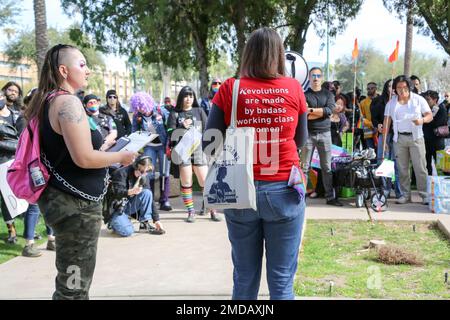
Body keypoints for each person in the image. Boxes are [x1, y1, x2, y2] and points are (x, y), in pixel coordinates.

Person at [204, 27, 308, 300]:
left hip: (239, 190)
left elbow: (210, 143)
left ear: (248, 54)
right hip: (284, 187)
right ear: (279, 55)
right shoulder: (294, 88)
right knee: (282, 280)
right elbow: (301, 139)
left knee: (245, 277)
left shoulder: (230, 88)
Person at [25, 44, 136, 300]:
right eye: (82, 64)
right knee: (73, 287)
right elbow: (84, 158)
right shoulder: (68, 103)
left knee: (74, 282)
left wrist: (109, 150)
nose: (88, 70)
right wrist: (121, 156)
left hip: (68, 204)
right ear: (64, 70)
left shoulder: (48, 101)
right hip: (76, 208)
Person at [168, 86, 221, 222]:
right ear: (181, 98)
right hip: (182, 151)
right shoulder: (175, 113)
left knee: (205, 181)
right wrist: (181, 127)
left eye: (191, 96)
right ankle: (191, 211)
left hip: (198, 150)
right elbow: (169, 132)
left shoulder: (199, 111)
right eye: (186, 96)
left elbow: (209, 128)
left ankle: (212, 210)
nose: (188, 99)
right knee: (186, 182)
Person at [383, 75, 432, 205]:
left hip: (416, 138)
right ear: (395, 89)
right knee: (402, 169)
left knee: (420, 167)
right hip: (399, 139)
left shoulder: (418, 99)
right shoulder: (391, 102)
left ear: (409, 87)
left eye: (404, 86)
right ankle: (405, 195)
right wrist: (384, 142)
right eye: (398, 87)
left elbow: (429, 115)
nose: (402, 89)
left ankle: (425, 195)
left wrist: (421, 120)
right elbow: (387, 122)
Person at [301, 67, 343, 206]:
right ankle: (301, 198)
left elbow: (330, 110)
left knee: (327, 167)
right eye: (313, 75)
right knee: (305, 167)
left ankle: (330, 197)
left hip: (325, 134)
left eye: (318, 75)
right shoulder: (304, 94)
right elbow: (304, 113)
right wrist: (321, 112)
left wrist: (312, 110)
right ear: (309, 77)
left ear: (322, 77)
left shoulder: (328, 95)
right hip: (308, 135)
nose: (316, 78)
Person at [130, 92, 172, 211]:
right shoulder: (137, 116)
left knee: (165, 172)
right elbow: (134, 130)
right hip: (149, 146)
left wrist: (169, 144)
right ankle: (151, 199)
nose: (139, 110)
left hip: (163, 145)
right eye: (137, 107)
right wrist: (136, 147)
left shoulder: (160, 111)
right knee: (148, 172)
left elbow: (170, 127)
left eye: (141, 107)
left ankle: (165, 200)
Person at [104, 155, 165, 236]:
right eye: (142, 171)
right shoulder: (121, 173)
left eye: (147, 171)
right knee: (128, 232)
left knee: (147, 193)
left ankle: (144, 224)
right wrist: (130, 192)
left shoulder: (144, 176)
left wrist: (156, 220)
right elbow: (116, 193)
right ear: (135, 167)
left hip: (129, 205)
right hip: (116, 207)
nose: (144, 174)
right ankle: (113, 223)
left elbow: (150, 199)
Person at [371, 79, 403, 199]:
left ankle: (399, 191)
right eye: (390, 86)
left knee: (397, 164)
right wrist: (377, 125)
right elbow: (375, 118)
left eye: (395, 86)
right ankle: (385, 189)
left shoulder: (403, 101)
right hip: (385, 135)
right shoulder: (379, 101)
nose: (393, 89)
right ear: (386, 88)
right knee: (384, 162)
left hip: (398, 136)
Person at [0, 89, 20, 244]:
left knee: (22, 196)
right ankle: (11, 231)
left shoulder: (15, 115)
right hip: (2, 162)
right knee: (6, 198)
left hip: (17, 159)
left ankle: (29, 231)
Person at [422, 90, 447, 175]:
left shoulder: (441, 108)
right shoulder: (424, 110)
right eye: (425, 99)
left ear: (435, 99)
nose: (426, 102)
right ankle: (429, 183)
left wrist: (429, 117)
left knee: (442, 165)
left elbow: (439, 123)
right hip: (426, 141)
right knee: (426, 164)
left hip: (437, 142)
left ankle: (445, 183)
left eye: (428, 99)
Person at [359, 82, 379, 149]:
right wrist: (371, 125)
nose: (370, 90)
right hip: (368, 129)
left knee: (381, 150)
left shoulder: (381, 100)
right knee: (371, 150)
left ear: (376, 88)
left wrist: (377, 126)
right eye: (368, 89)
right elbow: (362, 117)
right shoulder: (363, 103)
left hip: (380, 128)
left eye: (372, 88)